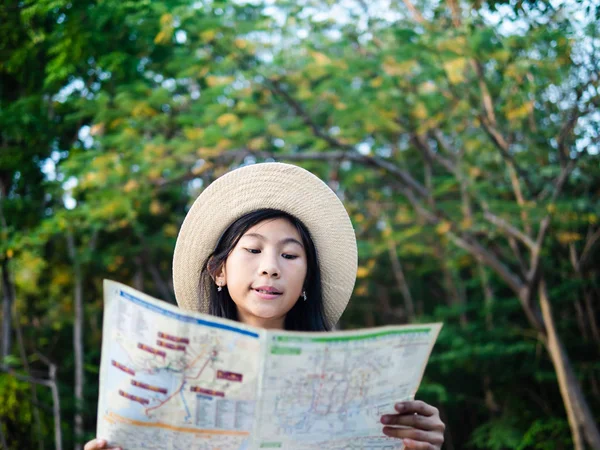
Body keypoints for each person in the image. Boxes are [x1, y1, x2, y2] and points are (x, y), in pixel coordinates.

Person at [85, 163, 445, 450]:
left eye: (289, 254)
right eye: (253, 249)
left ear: (307, 279)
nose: (271, 266)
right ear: (218, 270)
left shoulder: (357, 383)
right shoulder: (167, 381)